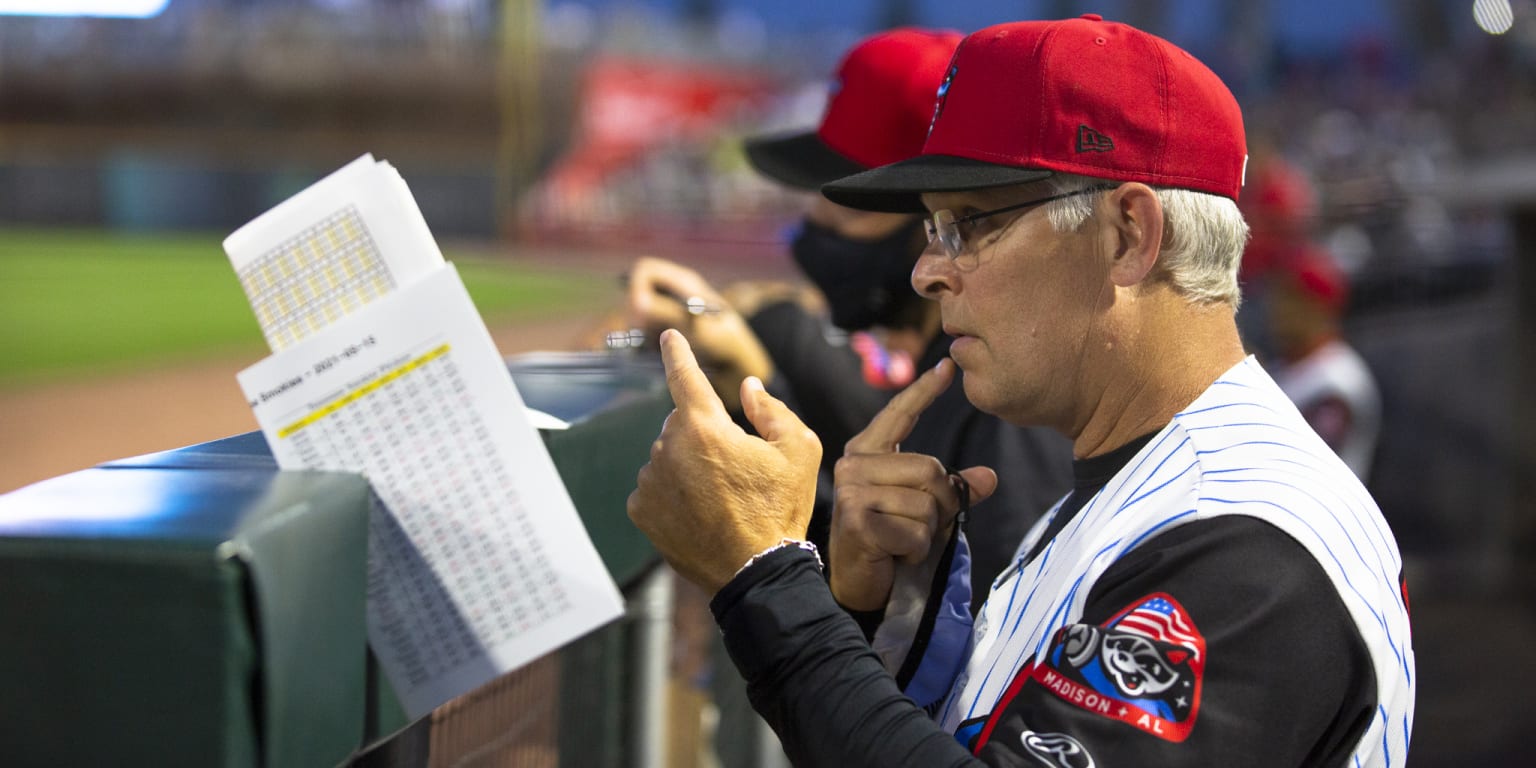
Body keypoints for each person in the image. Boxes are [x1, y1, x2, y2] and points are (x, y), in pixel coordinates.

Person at [628, 14, 1414, 768]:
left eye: (970, 223)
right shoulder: (1127, 484)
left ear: (1127, 236)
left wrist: (765, 580)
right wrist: (879, 610)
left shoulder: (1245, 546)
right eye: (934, 227)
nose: (927, 270)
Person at [624, 27, 1072, 607]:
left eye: (853, 206)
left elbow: (962, 653)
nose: (817, 230)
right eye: (816, 202)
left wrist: (756, 560)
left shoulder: (1010, 399)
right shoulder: (955, 363)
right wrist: (758, 383)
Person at [1266, 247, 1382, 480]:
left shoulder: (1338, 380)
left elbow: (1303, 466)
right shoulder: (1283, 365)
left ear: (1318, 307)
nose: (1279, 309)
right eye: (1279, 296)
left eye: (1292, 299)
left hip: (1321, 510)